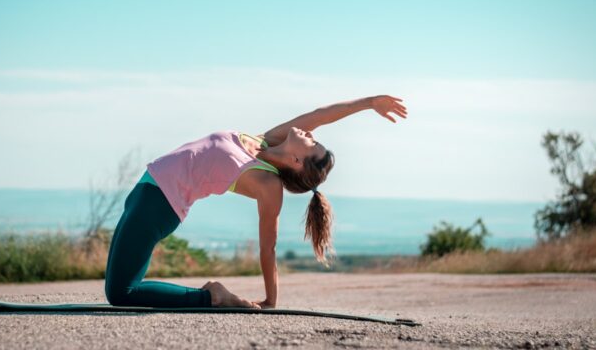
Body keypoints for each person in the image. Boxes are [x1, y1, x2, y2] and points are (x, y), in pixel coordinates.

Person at [104, 94, 408, 309]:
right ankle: (209, 297)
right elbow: (321, 113)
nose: (311, 133)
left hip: (160, 204)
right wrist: (369, 103)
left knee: (122, 293)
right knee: (119, 284)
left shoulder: (267, 183)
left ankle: (211, 297)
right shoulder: (267, 140)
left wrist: (270, 298)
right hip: (146, 190)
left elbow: (268, 246)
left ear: (298, 161)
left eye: (313, 143)